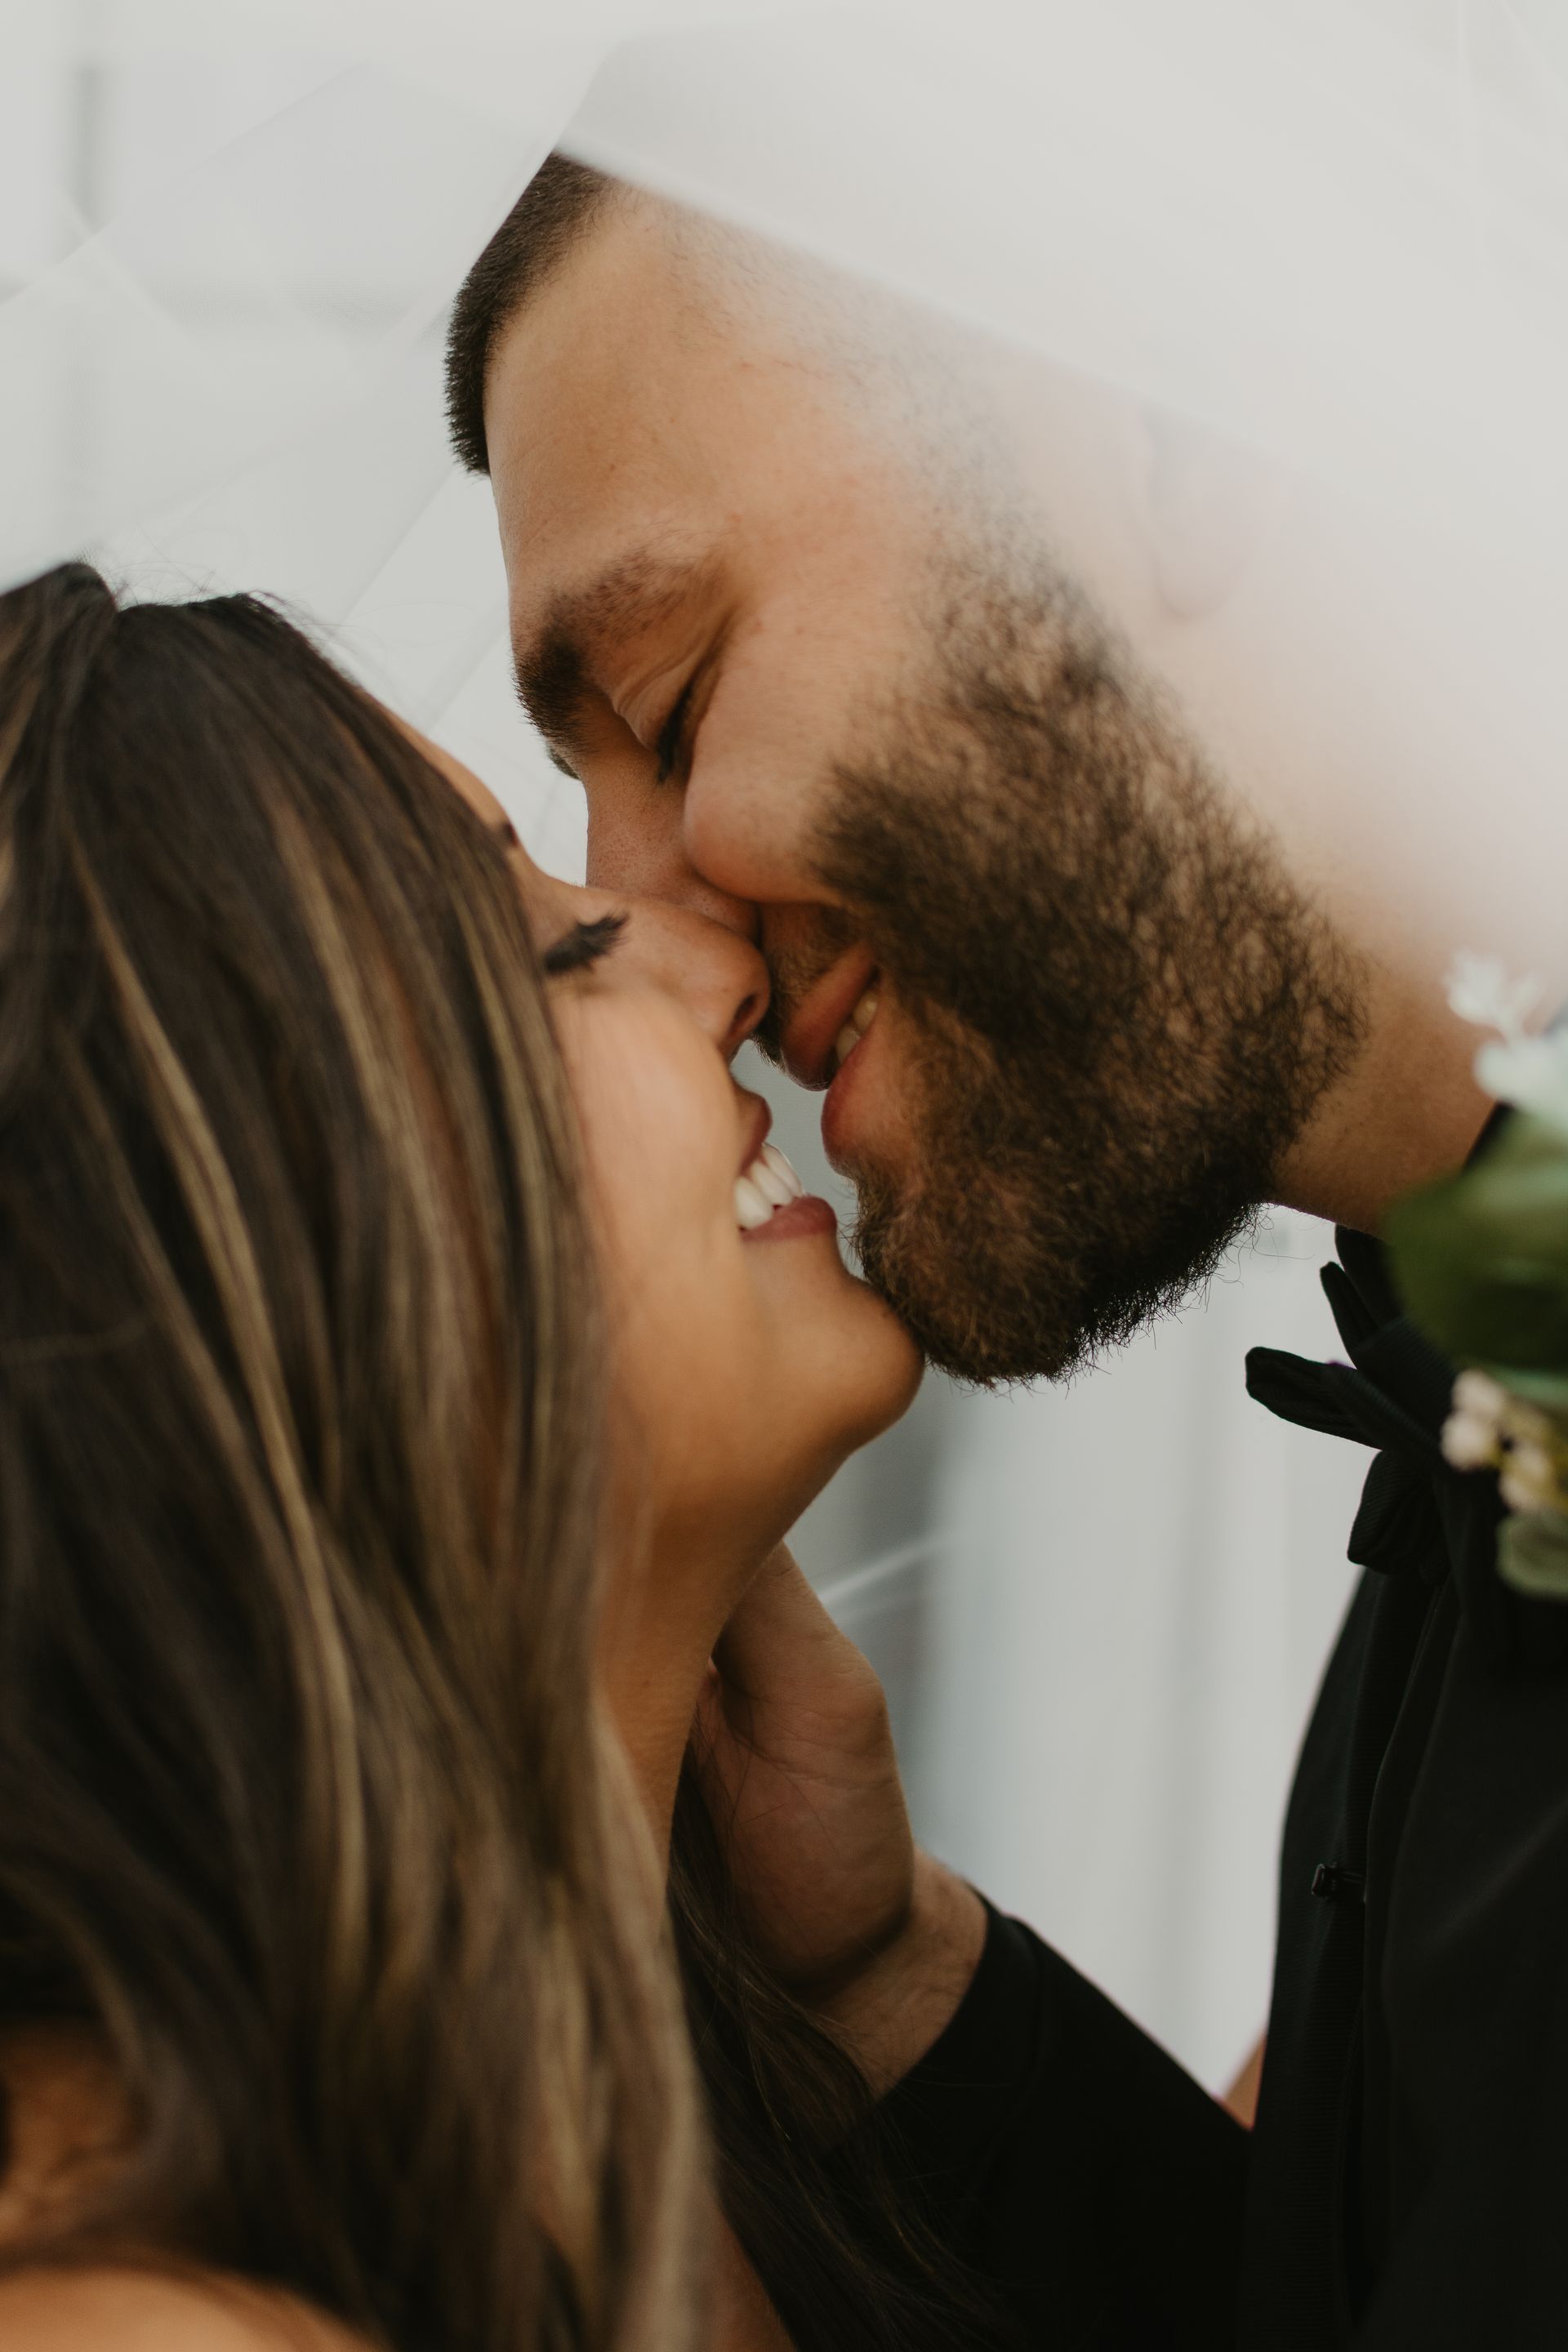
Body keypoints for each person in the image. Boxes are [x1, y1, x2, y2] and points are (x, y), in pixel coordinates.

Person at [446, 154, 1568, 2347]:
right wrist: (902, 1992)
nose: (678, 948)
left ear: (1176, 422)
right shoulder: (1467, 1472)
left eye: (671, 710)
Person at [0, 561, 1002, 2351]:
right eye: (553, 949)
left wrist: (883, 1971)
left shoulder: (645, 2178)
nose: (722, 966)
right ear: (249, 1253)